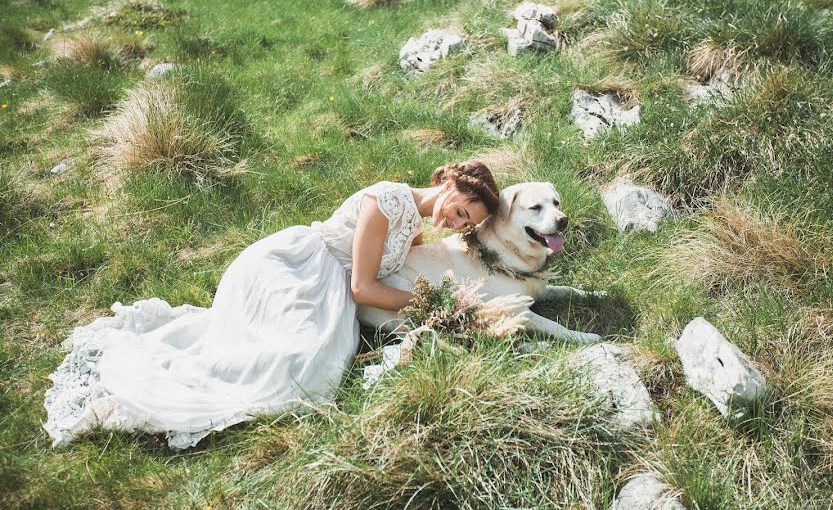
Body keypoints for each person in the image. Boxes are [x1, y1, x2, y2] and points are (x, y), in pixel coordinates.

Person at [43, 160, 500, 449]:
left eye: (464, 223)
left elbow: (394, 266)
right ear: (451, 183)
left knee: (319, 366)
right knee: (297, 363)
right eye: (460, 209)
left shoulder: (414, 225)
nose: (453, 221)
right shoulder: (390, 199)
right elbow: (362, 289)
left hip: (326, 286)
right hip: (294, 269)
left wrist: (451, 302)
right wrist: (429, 303)